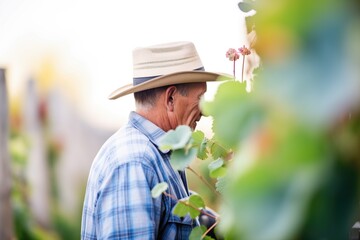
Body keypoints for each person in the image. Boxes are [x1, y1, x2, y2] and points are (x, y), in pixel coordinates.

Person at [81, 41, 226, 239]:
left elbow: (175, 213)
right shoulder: (135, 162)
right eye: (200, 98)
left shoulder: (156, 156)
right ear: (171, 99)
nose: (204, 112)